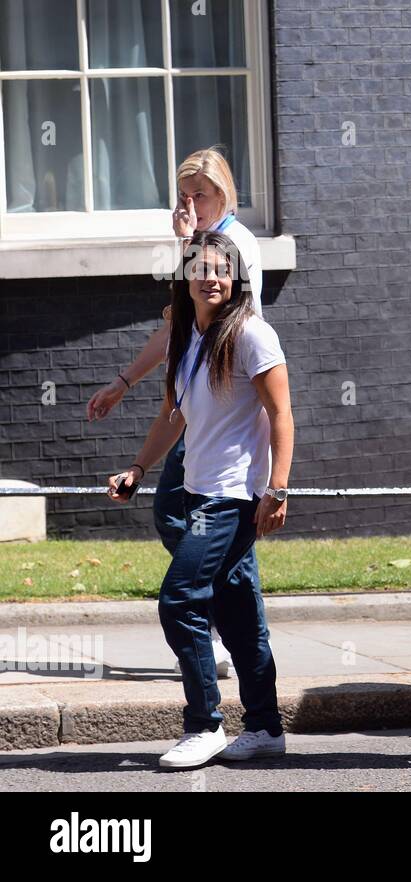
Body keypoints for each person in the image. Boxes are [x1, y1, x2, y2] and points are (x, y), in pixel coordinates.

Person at [107, 230, 291, 770]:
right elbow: (174, 415)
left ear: (235, 278)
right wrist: (139, 468)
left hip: (232, 499)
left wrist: (277, 489)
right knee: (237, 619)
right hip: (195, 494)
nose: (211, 277)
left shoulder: (252, 335)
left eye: (221, 269)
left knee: (180, 600)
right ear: (185, 276)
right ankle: (264, 727)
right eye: (201, 268)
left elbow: (282, 415)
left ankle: (204, 724)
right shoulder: (187, 337)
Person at [88, 147, 263, 679]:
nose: (190, 206)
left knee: (187, 516)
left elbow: (223, 306)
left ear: (223, 195)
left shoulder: (230, 242)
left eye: (200, 196)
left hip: (225, 405)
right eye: (183, 197)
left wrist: (187, 244)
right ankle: (233, 634)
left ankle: (224, 636)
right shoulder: (202, 243)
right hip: (200, 399)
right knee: (200, 525)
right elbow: (179, 326)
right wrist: (124, 381)